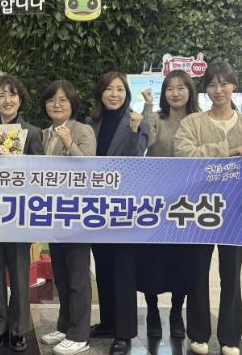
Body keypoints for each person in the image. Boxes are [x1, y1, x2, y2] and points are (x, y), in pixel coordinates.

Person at [174, 61, 242, 355]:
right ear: (205, 89)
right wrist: (226, 151)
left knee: (231, 276)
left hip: (236, 210)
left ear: (234, 85)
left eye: (224, 83)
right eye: (212, 84)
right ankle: (198, 334)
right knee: (198, 272)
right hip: (200, 209)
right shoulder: (193, 122)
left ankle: (230, 338)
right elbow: (183, 154)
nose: (218, 90)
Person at [0, 75, 44, 352]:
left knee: (20, 277)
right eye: (1, 95)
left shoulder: (32, 132)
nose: (7, 100)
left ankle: (18, 329)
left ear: (20, 99)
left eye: (12, 94)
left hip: (20, 214)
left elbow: (41, 173)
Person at [89, 71, 148, 355]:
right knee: (102, 265)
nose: (114, 94)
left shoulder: (136, 121)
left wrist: (135, 132)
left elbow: (136, 161)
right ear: (100, 93)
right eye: (109, 89)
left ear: (127, 93)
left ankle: (124, 333)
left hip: (125, 207)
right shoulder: (92, 123)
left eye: (120, 89)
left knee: (123, 268)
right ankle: (107, 323)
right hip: (97, 206)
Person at [138, 69, 200, 339]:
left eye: (181, 88)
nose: (175, 93)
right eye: (170, 89)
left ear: (190, 91)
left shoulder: (198, 120)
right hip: (157, 200)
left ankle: (176, 312)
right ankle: (152, 311)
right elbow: (146, 140)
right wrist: (148, 106)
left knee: (181, 260)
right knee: (152, 259)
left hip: (188, 202)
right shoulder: (156, 118)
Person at [37, 80, 95, 355]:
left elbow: (90, 167)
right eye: (51, 100)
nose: (57, 105)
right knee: (60, 273)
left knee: (78, 277)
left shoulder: (82, 130)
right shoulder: (44, 133)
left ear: (72, 103)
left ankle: (80, 334)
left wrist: (69, 143)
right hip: (53, 212)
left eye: (63, 100)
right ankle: (65, 325)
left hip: (77, 212)